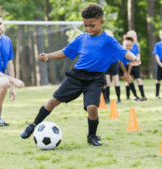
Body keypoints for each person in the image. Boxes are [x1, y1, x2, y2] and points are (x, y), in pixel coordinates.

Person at [20, 3, 139, 146]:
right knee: (52, 102)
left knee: (92, 108)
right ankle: (33, 125)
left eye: (92, 25)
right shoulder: (81, 38)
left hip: (95, 79)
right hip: (76, 76)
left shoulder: (109, 41)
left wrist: (134, 58)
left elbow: (124, 52)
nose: (88, 29)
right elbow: (65, 52)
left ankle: (92, 136)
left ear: (102, 22)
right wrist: (48, 56)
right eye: (85, 25)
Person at [125, 30, 147, 101]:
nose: (134, 37)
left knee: (138, 80)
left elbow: (138, 54)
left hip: (135, 65)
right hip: (128, 65)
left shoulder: (136, 45)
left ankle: (143, 95)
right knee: (128, 81)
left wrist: (138, 61)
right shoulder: (126, 45)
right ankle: (127, 96)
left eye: (135, 35)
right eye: (132, 35)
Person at [118, 37, 142, 101]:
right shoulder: (120, 52)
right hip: (118, 67)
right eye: (126, 45)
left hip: (125, 67)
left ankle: (135, 96)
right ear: (123, 44)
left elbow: (131, 64)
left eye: (130, 45)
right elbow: (120, 63)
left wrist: (128, 74)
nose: (128, 47)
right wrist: (125, 72)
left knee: (129, 79)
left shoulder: (131, 52)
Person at [103, 30, 121, 104]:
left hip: (114, 64)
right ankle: (106, 99)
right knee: (107, 82)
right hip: (106, 64)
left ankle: (119, 98)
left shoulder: (115, 44)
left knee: (116, 82)